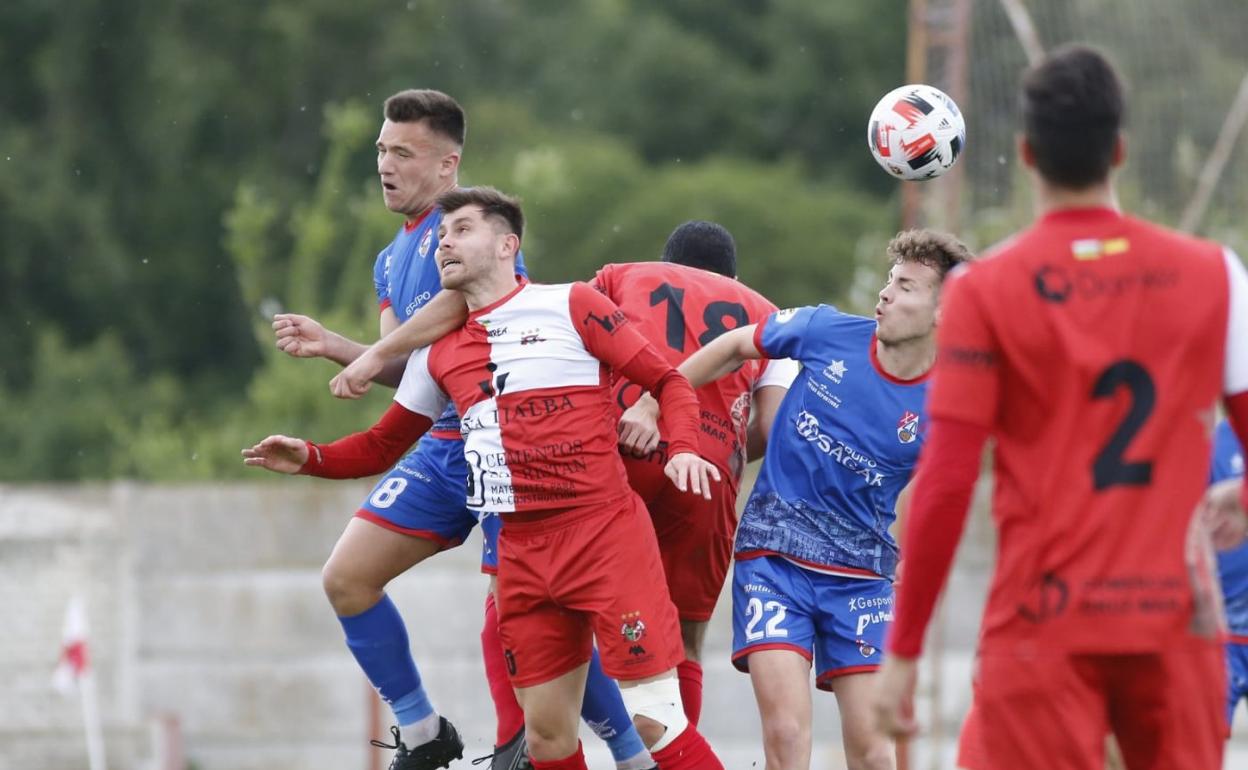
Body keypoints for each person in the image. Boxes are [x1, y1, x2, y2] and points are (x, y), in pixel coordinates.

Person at [246, 187, 725, 770]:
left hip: (603, 537)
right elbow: (382, 446)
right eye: (442, 233)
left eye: (463, 229)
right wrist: (312, 458)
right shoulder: (438, 352)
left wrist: (681, 447)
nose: (445, 241)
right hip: (521, 554)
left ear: (507, 245)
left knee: (656, 721)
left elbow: (669, 381)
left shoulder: (572, 304)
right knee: (547, 741)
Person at [872, 44, 1248, 770]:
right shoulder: (1216, 276)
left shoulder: (983, 291)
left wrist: (906, 650)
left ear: (1027, 154)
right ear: (1119, 151)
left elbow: (946, 484)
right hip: (1174, 619)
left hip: (1042, 622)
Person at [269, 90, 647, 770]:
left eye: (403, 153)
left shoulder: (472, 237)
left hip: (510, 441)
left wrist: (374, 353)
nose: (385, 164)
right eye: (381, 150)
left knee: (522, 610)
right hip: (444, 443)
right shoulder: (390, 259)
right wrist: (336, 345)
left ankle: (602, 751)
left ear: (448, 166)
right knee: (346, 578)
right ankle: (422, 733)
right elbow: (412, 371)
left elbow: (458, 310)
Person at [653, 228, 971, 770]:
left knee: (874, 751)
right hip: (774, 559)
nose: (887, 293)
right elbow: (733, 345)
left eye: (908, 288)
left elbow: (948, 491)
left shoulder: (950, 400)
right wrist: (654, 401)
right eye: (890, 280)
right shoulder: (825, 330)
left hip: (862, 576)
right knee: (785, 732)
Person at [598, 220, 799, 725]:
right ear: (732, 275)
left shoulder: (621, 277)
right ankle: (677, 756)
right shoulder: (767, 313)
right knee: (684, 640)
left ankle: (559, 745)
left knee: (578, 617)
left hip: (624, 449)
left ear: (667, 259)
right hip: (705, 476)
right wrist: (725, 450)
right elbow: (774, 428)